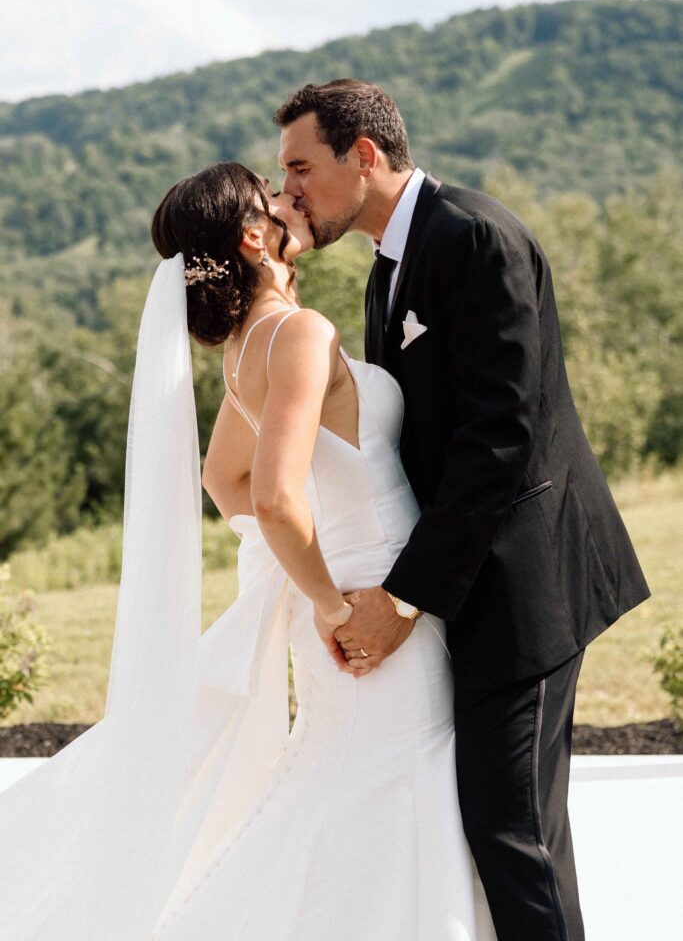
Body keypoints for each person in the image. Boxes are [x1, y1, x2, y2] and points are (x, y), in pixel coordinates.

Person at [0, 161, 496, 940]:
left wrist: (297, 578)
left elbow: (218, 475)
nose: (287, 198)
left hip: (339, 590)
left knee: (352, 781)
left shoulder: (245, 348)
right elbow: (268, 495)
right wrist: (332, 600)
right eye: (272, 196)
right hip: (376, 604)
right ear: (251, 237)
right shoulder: (297, 333)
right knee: (398, 778)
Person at [273, 79, 651, 941]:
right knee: (489, 826)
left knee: (513, 832)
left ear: (362, 155)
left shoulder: (472, 236)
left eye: (299, 167)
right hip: (469, 586)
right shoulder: (386, 268)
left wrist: (403, 597)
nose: (286, 188)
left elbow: (501, 435)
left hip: (525, 585)